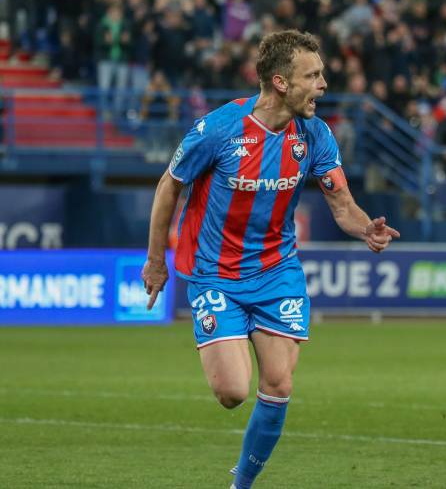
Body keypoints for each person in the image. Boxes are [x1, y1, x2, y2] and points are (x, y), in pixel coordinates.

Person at [141, 30, 400, 489]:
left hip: (277, 272)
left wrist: (367, 229)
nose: (323, 85)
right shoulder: (219, 129)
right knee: (233, 392)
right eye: (313, 75)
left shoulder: (315, 134)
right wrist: (155, 260)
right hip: (216, 274)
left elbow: (342, 205)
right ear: (281, 82)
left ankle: (240, 485)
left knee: (278, 384)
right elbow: (169, 185)